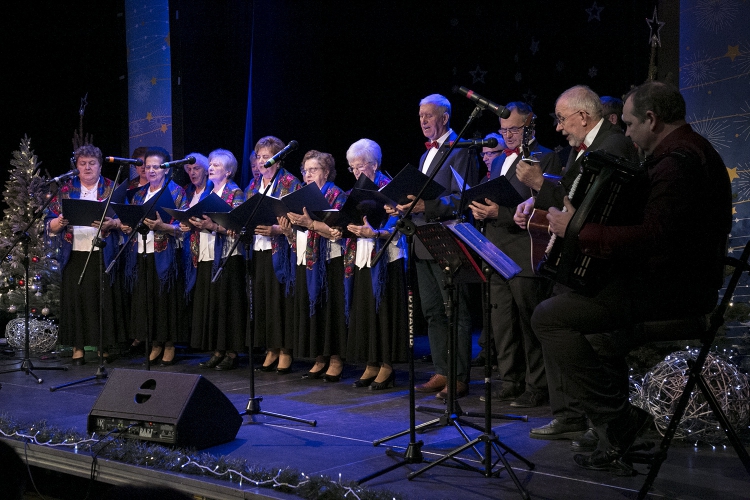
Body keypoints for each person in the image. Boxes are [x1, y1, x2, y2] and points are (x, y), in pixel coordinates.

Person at [531, 81, 731, 473]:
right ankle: (615, 438)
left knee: (549, 317)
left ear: (651, 120)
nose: (626, 133)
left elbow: (654, 236)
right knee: (598, 334)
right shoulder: (686, 154)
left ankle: (619, 422)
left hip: (674, 292)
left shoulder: (678, 164)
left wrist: (578, 230)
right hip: (673, 284)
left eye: (628, 124)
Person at [514, 85, 638, 441]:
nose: (558, 127)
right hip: (577, 256)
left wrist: (540, 183)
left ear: (583, 117)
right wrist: (537, 199)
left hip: (598, 261)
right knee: (552, 320)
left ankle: (606, 423)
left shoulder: (612, 145)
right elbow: (572, 190)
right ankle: (570, 415)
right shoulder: (584, 147)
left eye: (562, 119)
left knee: (591, 339)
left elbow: (588, 204)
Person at [469, 102, 562, 408]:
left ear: (529, 126)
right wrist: (482, 210)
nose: (507, 135)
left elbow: (545, 207)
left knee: (528, 320)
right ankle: (511, 380)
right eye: (503, 130)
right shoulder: (498, 161)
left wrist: (501, 213)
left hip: (525, 250)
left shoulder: (545, 157)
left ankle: (537, 385)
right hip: (495, 248)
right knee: (502, 321)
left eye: (514, 129)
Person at [388, 93, 476, 400]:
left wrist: (429, 205)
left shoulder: (460, 149)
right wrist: (403, 206)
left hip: (447, 238)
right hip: (422, 239)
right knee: (433, 310)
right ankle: (442, 370)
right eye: (420, 116)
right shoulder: (426, 154)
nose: (423, 121)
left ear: (445, 117)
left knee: (455, 310)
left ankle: (459, 376)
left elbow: (464, 197)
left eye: (429, 115)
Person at [46, 144, 127, 365]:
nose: (88, 167)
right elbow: (49, 224)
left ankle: (103, 345)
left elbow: (125, 219)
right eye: (83, 163)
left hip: (102, 251)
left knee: (102, 299)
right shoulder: (65, 190)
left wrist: (113, 223)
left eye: (92, 163)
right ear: (77, 166)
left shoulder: (112, 188)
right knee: (76, 300)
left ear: (100, 166)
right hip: (74, 252)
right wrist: (58, 222)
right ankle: (77, 347)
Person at [343, 139, 408, 389]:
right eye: (352, 168)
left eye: (360, 166)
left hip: (387, 258)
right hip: (362, 256)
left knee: (384, 311)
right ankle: (371, 362)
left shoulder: (390, 189)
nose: (356, 172)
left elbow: (400, 227)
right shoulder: (355, 193)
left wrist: (376, 233)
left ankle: (387, 365)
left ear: (375, 165)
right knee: (367, 310)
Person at [121, 146, 189, 366]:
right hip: (142, 251)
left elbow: (186, 226)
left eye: (156, 167)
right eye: (147, 166)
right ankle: (154, 344)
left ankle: (168, 344)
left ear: (166, 169)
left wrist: (164, 227)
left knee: (165, 300)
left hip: (166, 254)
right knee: (147, 300)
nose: (151, 170)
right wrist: (127, 226)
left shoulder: (176, 192)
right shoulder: (139, 194)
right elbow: (132, 220)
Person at [283, 150, 347, 381]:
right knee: (314, 308)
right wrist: (288, 231)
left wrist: (311, 223)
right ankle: (319, 357)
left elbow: (338, 232)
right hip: (307, 259)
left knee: (331, 309)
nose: (308, 175)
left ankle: (336, 358)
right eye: (305, 170)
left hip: (330, 259)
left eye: (313, 170)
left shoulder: (336, 195)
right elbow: (298, 234)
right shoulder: (300, 197)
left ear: (326, 172)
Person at [245, 136, 303, 373]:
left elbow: (301, 219)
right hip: (259, 248)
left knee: (281, 300)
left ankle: (285, 349)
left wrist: (277, 229)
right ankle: (271, 348)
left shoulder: (290, 183)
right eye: (258, 157)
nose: (261, 161)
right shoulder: (253, 185)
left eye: (266, 157)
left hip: (282, 250)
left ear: (278, 160)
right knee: (263, 300)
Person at [185, 149, 247, 370]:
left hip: (229, 255)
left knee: (228, 303)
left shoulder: (236, 193)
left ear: (228, 171)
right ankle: (217, 350)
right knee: (213, 303)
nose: (211, 168)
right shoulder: (207, 194)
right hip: (207, 253)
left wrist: (213, 226)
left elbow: (239, 226)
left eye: (217, 165)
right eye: (210, 164)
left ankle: (231, 352)